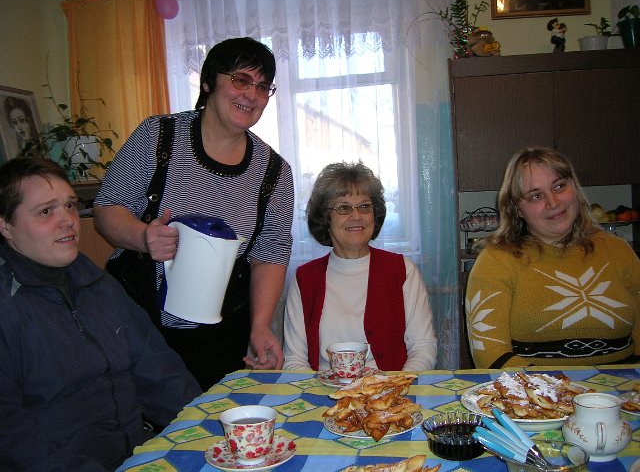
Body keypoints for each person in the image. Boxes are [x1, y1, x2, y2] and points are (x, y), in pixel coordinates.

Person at [93, 37, 294, 390]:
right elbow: (107, 207)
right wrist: (142, 237)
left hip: (221, 329)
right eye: (240, 80)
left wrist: (261, 325)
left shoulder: (274, 171)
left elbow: (270, 255)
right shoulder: (158, 136)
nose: (252, 94)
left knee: (213, 416)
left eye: (263, 87)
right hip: (137, 319)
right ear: (208, 83)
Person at [0, 157, 201, 471]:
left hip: (138, 454)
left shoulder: (98, 284)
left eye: (70, 205)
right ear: (5, 226)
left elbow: (159, 371)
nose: (68, 220)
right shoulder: (7, 308)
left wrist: (205, 428)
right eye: (46, 211)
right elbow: (11, 436)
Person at [465, 147, 640, 369]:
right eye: (536, 196)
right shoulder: (496, 261)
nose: (553, 202)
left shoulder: (618, 251)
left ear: (574, 187)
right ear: (517, 209)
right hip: (535, 389)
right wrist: (557, 388)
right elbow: (490, 354)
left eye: (559, 186)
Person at [283, 161, 438, 371]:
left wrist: (397, 386)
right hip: (323, 389)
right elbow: (294, 359)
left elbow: (423, 347)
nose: (356, 216)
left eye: (365, 206)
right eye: (343, 208)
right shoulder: (305, 278)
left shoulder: (402, 270)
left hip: (391, 388)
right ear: (325, 218)